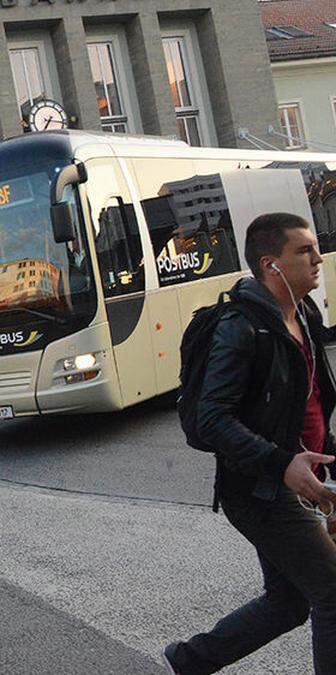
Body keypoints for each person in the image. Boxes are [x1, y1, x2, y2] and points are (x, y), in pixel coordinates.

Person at [165, 213, 336, 675]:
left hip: (291, 479)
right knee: (332, 592)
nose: (317, 257)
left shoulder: (304, 314)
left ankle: (191, 659)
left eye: (315, 247)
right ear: (270, 264)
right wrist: (283, 465)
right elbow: (212, 418)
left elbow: (310, 405)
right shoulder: (240, 327)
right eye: (303, 250)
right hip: (258, 491)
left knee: (288, 603)